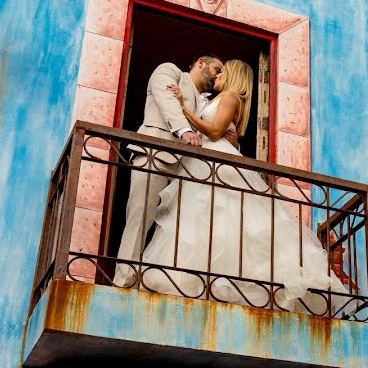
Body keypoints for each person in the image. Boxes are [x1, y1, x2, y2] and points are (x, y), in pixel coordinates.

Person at [138, 59, 345, 314]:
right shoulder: (218, 98)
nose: (217, 78)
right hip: (205, 161)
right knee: (207, 223)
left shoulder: (231, 97)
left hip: (216, 161)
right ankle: (199, 281)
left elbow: (214, 132)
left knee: (227, 221)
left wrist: (183, 109)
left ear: (233, 75)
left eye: (221, 72)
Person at [113, 54, 228, 288]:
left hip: (187, 172)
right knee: (139, 219)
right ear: (200, 63)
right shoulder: (170, 70)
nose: (219, 75)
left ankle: (159, 284)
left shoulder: (209, 101)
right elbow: (166, 100)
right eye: (217, 68)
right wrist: (184, 130)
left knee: (177, 231)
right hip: (154, 157)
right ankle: (124, 282)